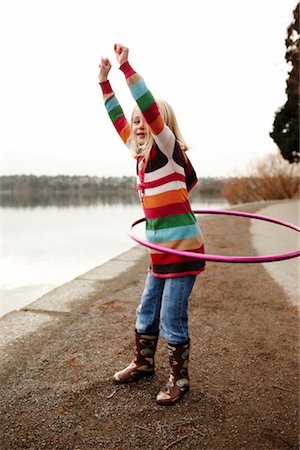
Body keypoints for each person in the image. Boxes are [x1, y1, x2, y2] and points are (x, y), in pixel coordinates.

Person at [98, 44, 205, 405]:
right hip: (159, 255)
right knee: (146, 310)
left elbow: (148, 108)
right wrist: (104, 85)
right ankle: (144, 362)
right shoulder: (142, 161)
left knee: (172, 314)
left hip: (183, 250)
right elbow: (118, 120)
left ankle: (180, 378)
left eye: (146, 119)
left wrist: (126, 69)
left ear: (162, 125)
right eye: (137, 121)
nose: (139, 125)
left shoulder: (168, 150)